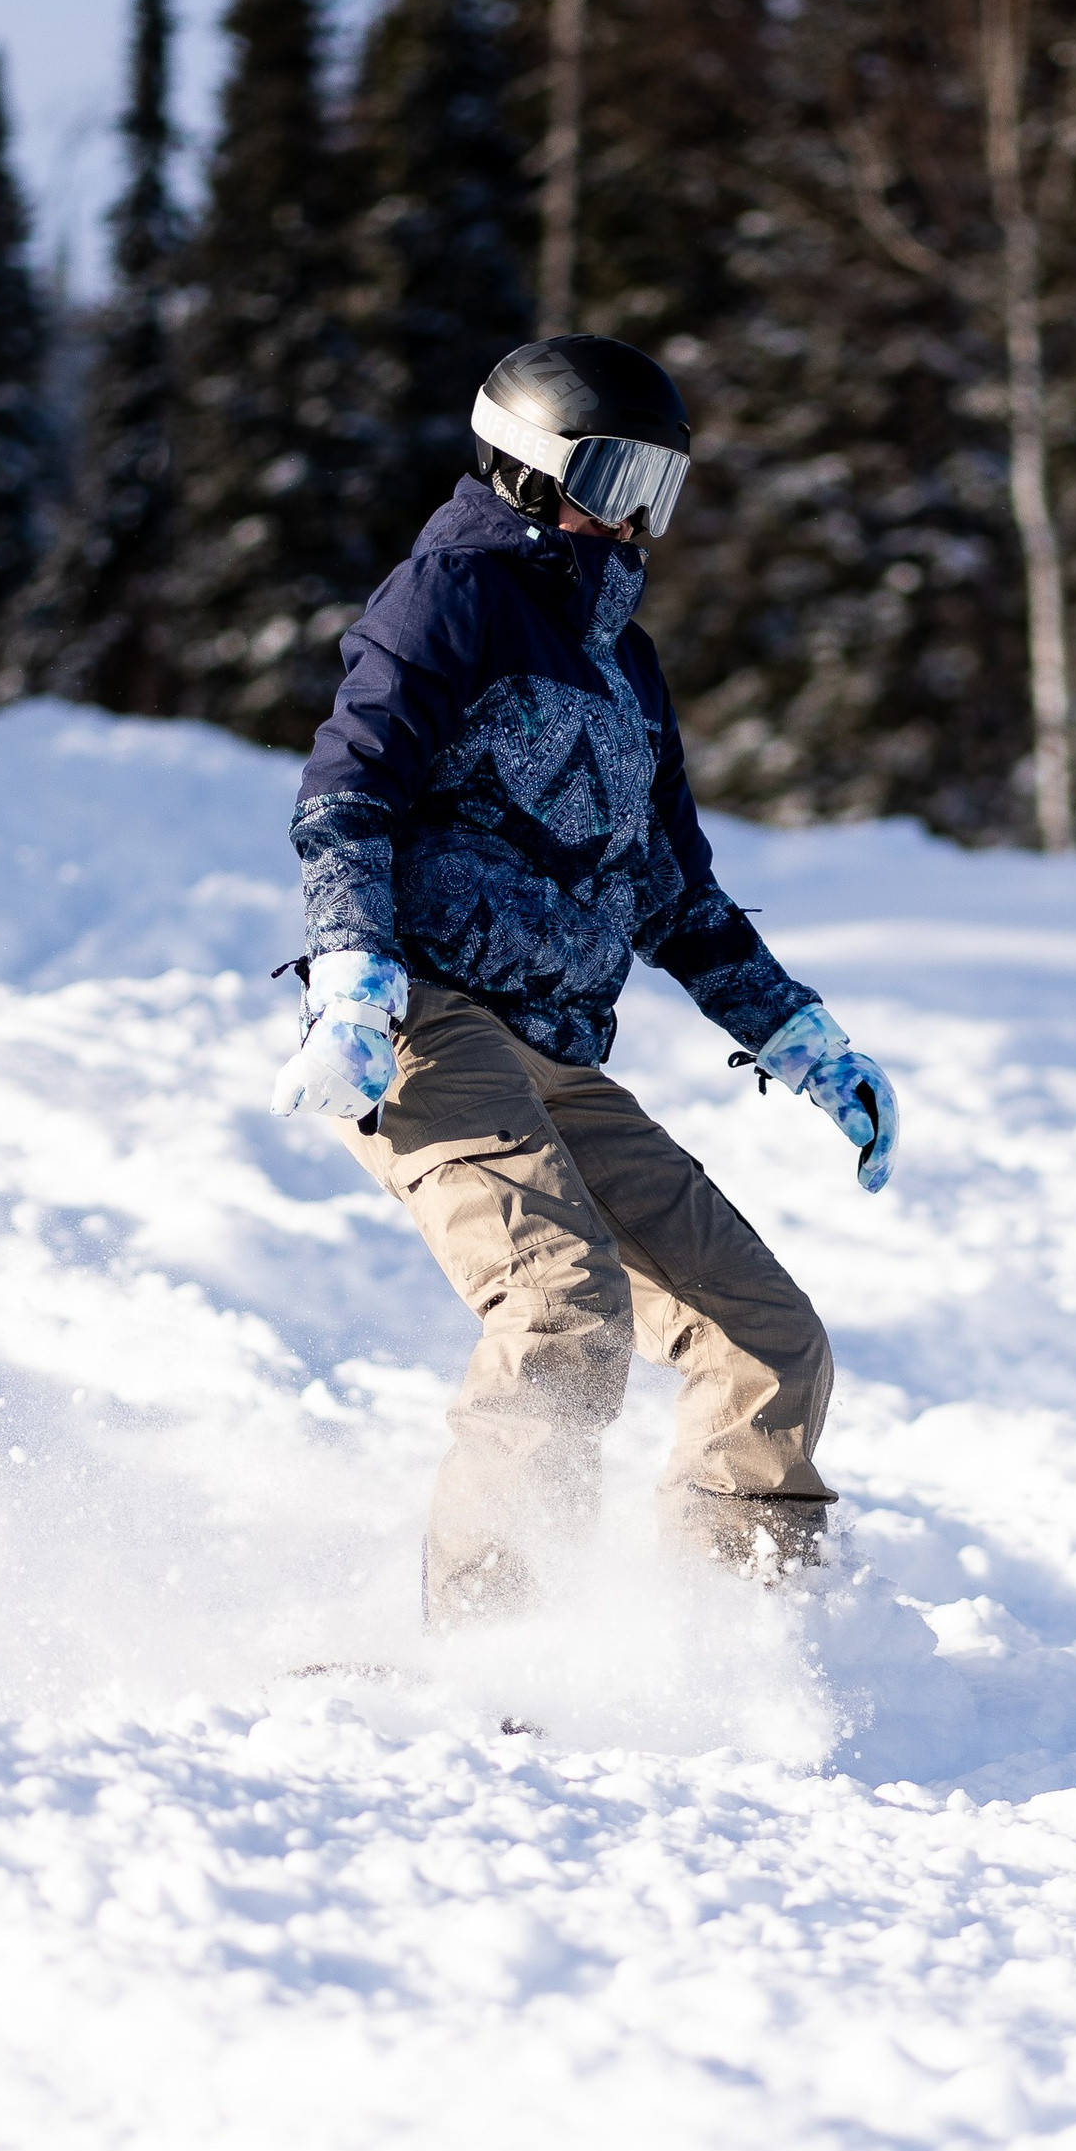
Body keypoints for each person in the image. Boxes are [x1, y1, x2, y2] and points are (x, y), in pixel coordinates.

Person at [270, 335, 896, 1622]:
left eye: (658, 489)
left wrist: (806, 1042)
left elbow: (675, 894)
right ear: (525, 466)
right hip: (425, 1021)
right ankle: (496, 1649)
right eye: (612, 479)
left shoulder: (625, 664)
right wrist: (353, 980)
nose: (633, 518)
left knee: (768, 1340)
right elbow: (347, 793)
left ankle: (737, 1639)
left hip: (555, 1052)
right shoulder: (450, 595)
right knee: (563, 1311)